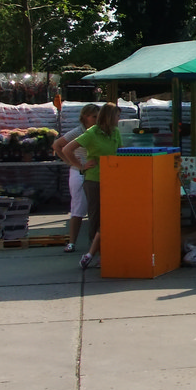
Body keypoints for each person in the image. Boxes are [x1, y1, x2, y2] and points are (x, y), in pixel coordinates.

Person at [60, 103, 122, 271]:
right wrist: (80, 166)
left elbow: (120, 151)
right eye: (117, 116)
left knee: (110, 215)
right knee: (95, 216)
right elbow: (66, 149)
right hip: (94, 179)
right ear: (109, 117)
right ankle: (95, 253)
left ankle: (104, 251)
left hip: (112, 179)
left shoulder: (115, 132)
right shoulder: (92, 133)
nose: (119, 120)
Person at [52, 103, 99, 253]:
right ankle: (72, 242)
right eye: (94, 117)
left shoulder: (98, 131)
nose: (97, 120)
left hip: (94, 173)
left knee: (95, 210)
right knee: (78, 208)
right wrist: (76, 164)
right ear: (85, 117)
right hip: (80, 173)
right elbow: (58, 145)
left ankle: (95, 244)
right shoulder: (79, 132)